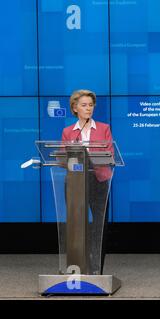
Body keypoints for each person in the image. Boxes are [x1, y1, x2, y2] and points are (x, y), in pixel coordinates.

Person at [62, 89, 113, 275]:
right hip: (75, 183)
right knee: (77, 226)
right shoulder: (68, 132)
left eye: (91, 105)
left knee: (98, 226)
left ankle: (96, 270)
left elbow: (110, 155)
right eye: (84, 105)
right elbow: (61, 159)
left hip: (98, 181)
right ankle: (78, 268)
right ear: (75, 108)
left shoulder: (104, 128)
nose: (88, 108)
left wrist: (88, 156)